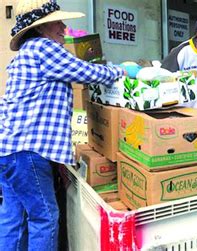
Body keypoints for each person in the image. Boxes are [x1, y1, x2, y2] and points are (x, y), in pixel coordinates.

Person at [0, 0, 125, 250]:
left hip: (9, 151)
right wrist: (120, 72)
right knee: (44, 218)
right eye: (57, 22)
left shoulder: (26, 53)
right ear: (41, 27)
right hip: (28, 153)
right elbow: (86, 72)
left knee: (13, 219)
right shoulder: (43, 48)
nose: (64, 27)